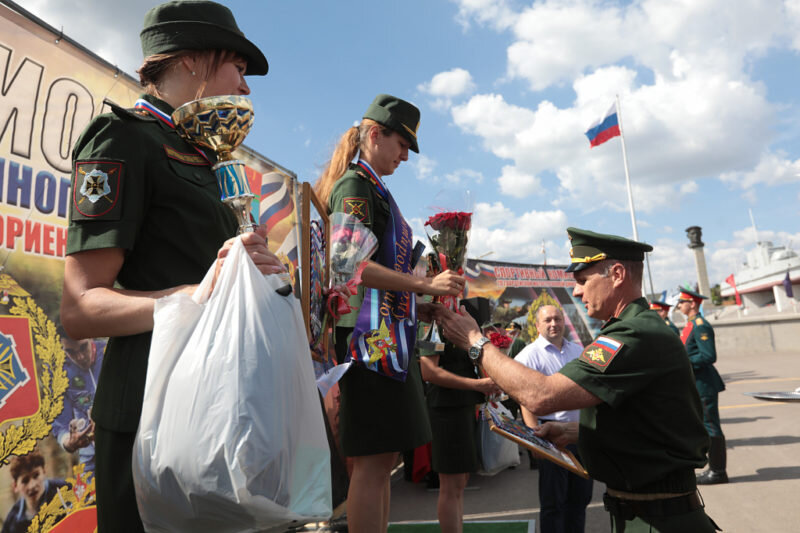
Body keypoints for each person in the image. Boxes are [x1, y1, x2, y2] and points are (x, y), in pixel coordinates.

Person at [59, 2, 283, 531]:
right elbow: (81, 307)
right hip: (148, 418)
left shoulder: (211, 158)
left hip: (216, 408)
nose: (245, 87)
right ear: (192, 62)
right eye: (238, 67)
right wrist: (202, 292)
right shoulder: (122, 138)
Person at [436, 227, 719, 533]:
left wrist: (475, 342)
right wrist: (574, 431)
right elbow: (640, 423)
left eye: (584, 280)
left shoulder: (634, 334)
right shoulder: (632, 329)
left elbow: (543, 396)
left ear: (618, 274)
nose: (578, 292)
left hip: (660, 517)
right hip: (648, 508)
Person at [313, 94, 466, 533]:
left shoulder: (377, 190)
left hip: (386, 344)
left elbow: (378, 283)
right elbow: (348, 264)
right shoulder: (356, 186)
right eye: (401, 144)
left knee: (383, 462)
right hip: (367, 347)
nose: (404, 156)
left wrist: (424, 305)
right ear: (375, 135)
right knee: (373, 465)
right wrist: (424, 283)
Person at [419, 298, 500, 533]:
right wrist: (476, 385)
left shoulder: (460, 323)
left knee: (460, 482)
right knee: (451, 485)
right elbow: (429, 371)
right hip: (446, 410)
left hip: (463, 408)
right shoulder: (431, 327)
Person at [514, 305, 593, 533]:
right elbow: (524, 397)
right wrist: (533, 439)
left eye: (557, 319)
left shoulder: (578, 352)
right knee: (553, 503)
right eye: (547, 320)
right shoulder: (529, 355)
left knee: (580, 499)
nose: (553, 324)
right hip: (550, 437)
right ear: (537, 326)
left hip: (579, 434)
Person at [676, 289, 728, 485]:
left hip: (704, 384)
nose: (679, 306)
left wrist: (683, 362)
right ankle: (713, 468)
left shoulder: (700, 326)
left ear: (693, 303)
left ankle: (719, 472)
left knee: (712, 427)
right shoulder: (690, 325)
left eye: (682, 302)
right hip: (696, 384)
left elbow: (708, 356)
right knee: (706, 427)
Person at [53, 325, 104, 475]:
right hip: (91, 457)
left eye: (83, 347)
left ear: (91, 337)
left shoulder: (110, 353)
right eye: (71, 352)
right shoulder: (59, 373)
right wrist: (69, 442)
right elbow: (60, 425)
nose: (80, 357)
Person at [1, 451, 69, 533]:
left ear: (44, 471)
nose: (32, 485)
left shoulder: (66, 490)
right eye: (25, 481)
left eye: (36, 475)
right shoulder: (13, 521)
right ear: (15, 486)